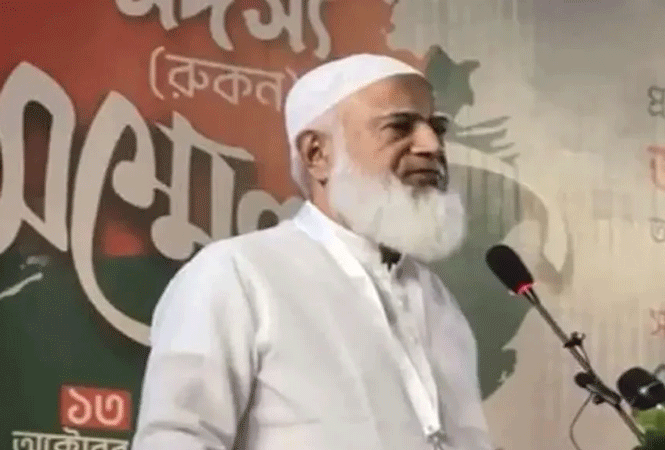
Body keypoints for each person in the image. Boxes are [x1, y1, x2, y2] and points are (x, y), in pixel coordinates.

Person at [131, 53, 493, 450]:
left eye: (436, 128)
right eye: (399, 126)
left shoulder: (439, 301)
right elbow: (177, 438)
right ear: (316, 154)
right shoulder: (237, 274)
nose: (431, 146)